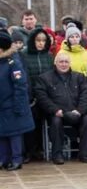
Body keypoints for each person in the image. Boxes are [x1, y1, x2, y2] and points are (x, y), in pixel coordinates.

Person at [35, 52, 87, 164]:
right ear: (55, 63)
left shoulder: (79, 77)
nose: (64, 64)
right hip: (57, 113)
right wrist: (55, 110)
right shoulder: (44, 78)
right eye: (61, 61)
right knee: (56, 122)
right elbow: (42, 98)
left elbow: (86, 95)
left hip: (77, 112)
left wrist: (80, 110)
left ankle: (85, 154)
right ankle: (57, 155)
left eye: (66, 62)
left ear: (70, 63)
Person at [0, 30, 34, 170]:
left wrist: (19, 105)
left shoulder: (13, 62)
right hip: (1, 106)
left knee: (14, 134)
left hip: (12, 104)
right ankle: (3, 159)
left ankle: (16, 159)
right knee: (2, 134)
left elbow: (20, 85)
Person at [23, 29, 55, 161]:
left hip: (46, 95)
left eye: (43, 41)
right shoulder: (24, 55)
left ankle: (42, 149)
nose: (41, 43)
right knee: (32, 124)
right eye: (38, 40)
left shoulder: (48, 56)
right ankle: (30, 151)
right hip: (31, 95)